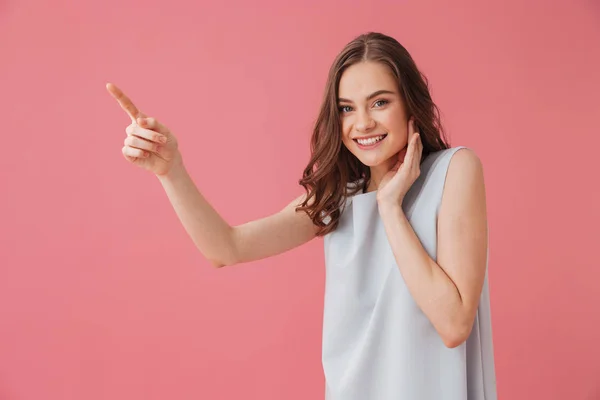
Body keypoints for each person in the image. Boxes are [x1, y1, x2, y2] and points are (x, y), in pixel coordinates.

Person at [107, 31, 497, 400]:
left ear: (410, 103)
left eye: (380, 102)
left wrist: (391, 209)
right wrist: (170, 170)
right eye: (347, 109)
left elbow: (453, 324)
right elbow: (226, 247)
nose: (362, 123)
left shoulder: (454, 171)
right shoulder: (338, 199)